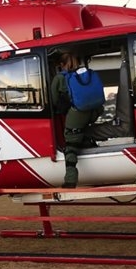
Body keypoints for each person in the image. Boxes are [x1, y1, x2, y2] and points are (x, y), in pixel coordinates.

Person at [50, 51, 105, 188]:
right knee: (84, 136)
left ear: (62, 65)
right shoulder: (84, 74)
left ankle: (70, 179)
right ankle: (102, 174)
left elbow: (54, 100)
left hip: (77, 113)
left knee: (71, 147)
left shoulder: (59, 78)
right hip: (95, 110)